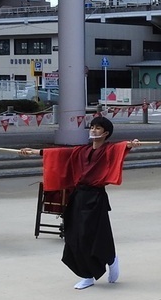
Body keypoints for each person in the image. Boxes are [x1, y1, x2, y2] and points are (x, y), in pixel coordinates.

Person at [20, 116, 141, 290]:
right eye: (91, 127)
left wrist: (132, 144)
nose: (93, 130)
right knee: (74, 235)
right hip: (78, 197)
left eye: (98, 128)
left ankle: (111, 259)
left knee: (95, 234)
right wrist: (32, 152)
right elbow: (58, 154)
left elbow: (122, 147)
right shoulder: (81, 151)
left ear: (106, 133)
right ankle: (87, 275)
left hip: (96, 197)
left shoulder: (109, 150)